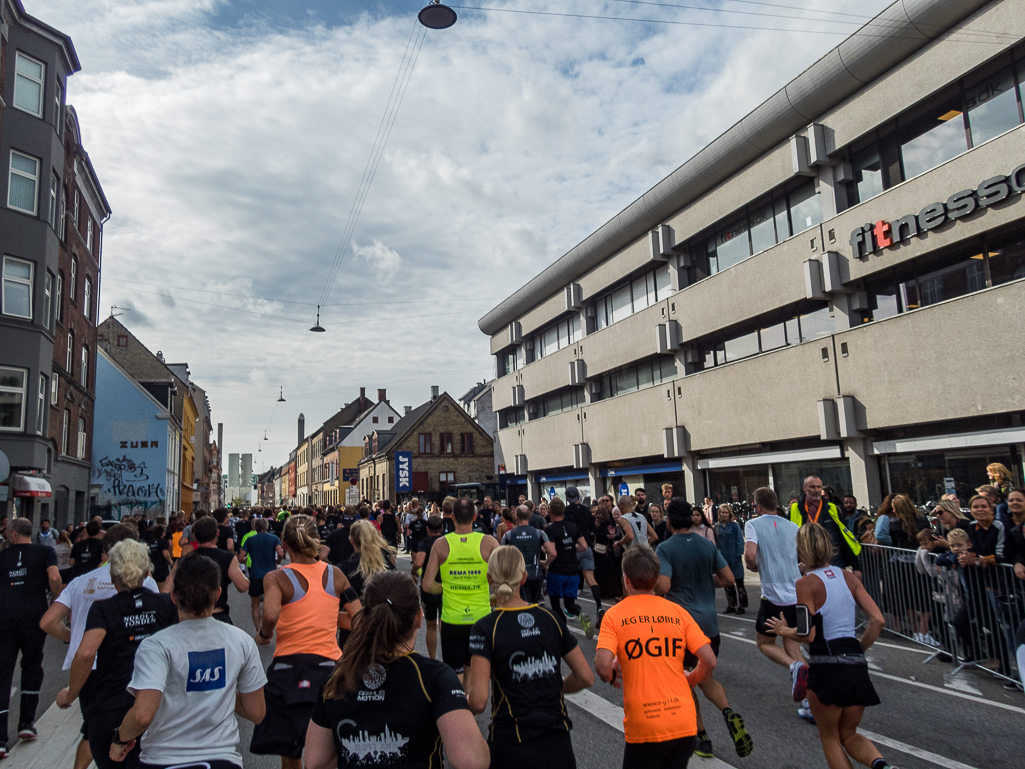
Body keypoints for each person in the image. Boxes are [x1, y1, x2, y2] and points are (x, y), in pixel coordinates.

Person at [303, 571, 489, 769]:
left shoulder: (338, 677)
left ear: (366, 618)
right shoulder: (435, 677)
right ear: (418, 617)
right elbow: (472, 761)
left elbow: (316, 762)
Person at [109, 551, 267, 769]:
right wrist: (220, 685)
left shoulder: (156, 646)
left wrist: (120, 738)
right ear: (218, 593)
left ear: (173, 596)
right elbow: (256, 712)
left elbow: (143, 715)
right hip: (222, 759)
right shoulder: (241, 641)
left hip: (163, 759)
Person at [766, 524, 896, 769]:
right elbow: (877, 619)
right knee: (849, 733)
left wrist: (785, 631)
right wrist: (859, 648)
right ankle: (880, 765)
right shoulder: (848, 577)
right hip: (855, 663)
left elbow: (808, 633)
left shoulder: (806, 584)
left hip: (826, 664)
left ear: (801, 550)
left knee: (830, 738)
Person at [41, 523, 159, 769]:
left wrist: (72, 637)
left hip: (90, 673)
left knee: (95, 727)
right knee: (135, 731)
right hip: (135, 668)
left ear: (106, 551)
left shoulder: (81, 582)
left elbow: (48, 622)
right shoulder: (146, 584)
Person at [466, 546, 593, 768]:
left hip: (511, 739)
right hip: (557, 737)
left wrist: (457, 706)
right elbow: (585, 677)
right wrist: (552, 686)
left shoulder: (486, 627)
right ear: (524, 578)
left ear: (489, 579)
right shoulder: (551, 619)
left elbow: (478, 701)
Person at [250, 515, 361, 768]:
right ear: (316, 541)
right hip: (330, 667)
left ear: (285, 544)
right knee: (331, 747)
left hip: (288, 668)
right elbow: (360, 619)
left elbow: (270, 614)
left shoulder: (276, 578)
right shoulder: (336, 574)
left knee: (290, 752)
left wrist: (264, 634)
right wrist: (329, 616)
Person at [596, 545, 717, 769]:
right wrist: (691, 679)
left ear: (626, 579)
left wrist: (612, 675)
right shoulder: (678, 612)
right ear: (656, 579)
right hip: (683, 721)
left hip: (645, 724)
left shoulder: (615, 615)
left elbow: (602, 665)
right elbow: (709, 660)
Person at [656, 498, 752, 760]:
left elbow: (663, 587)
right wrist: (707, 581)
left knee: (684, 681)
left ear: (670, 521)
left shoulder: (665, 548)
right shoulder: (706, 544)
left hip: (682, 625)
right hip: (709, 625)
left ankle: (702, 737)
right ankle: (728, 713)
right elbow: (729, 578)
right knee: (705, 677)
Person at [743, 487, 810, 721]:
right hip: (797, 594)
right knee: (793, 646)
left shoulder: (753, 524)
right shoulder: (793, 526)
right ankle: (810, 700)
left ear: (757, 506)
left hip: (774, 595)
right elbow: (804, 556)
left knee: (764, 643)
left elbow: (750, 556)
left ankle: (794, 667)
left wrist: (754, 566)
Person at [0, 518, 61, 755]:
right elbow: (54, 578)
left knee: (3, 673)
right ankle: (26, 723)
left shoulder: (2, 556)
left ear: (14, 534)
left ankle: (0, 738)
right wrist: (56, 599)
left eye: (7, 532)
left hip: (4, 618)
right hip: (34, 617)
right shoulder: (45, 552)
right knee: (32, 665)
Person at [423, 497, 500, 678]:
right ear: (475, 517)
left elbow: (426, 585)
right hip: (481, 618)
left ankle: (460, 703)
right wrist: (492, 597)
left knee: (455, 675)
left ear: (452, 517)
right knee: (475, 673)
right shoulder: (489, 542)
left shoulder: (441, 544)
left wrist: (448, 588)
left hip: (452, 620)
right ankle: (471, 705)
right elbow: (504, 580)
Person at [790, 476, 861, 577]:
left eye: (819, 487)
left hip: (833, 560)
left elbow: (844, 536)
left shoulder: (832, 508)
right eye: (812, 487)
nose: (816, 490)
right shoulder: (795, 509)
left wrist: (856, 566)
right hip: (806, 562)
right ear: (805, 488)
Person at [543, 498, 591, 636]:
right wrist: (570, 549)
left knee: (556, 604)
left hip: (557, 571)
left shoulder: (550, 529)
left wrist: (545, 564)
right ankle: (581, 614)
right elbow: (584, 546)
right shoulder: (572, 527)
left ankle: (563, 631)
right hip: (572, 571)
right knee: (570, 604)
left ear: (550, 511)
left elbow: (552, 552)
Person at [192, 516, 249, 624]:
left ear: (194, 536)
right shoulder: (227, 558)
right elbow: (243, 586)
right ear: (217, 533)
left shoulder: (185, 560)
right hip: (217, 615)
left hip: (190, 617)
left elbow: (167, 590)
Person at [564, 486, 604, 628]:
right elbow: (594, 529)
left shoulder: (567, 511)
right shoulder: (587, 509)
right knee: (591, 579)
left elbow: (569, 529)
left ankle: (570, 607)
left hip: (574, 546)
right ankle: (599, 607)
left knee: (572, 577)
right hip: (586, 546)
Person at [502, 505, 556, 603]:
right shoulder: (539, 533)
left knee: (522, 605)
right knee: (534, 605)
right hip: (536, 575)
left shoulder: (509, 535)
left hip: (517, 575)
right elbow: (552, 553)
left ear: (516, 517)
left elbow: (501, 556)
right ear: (530, 516)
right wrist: (545, 563)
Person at [239, 517, 283, 633]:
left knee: (255, 605)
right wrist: (278, 561)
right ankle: (268, 629)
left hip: (255, 574)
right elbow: (280, 552)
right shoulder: (274, 538)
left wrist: (244, 560)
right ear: (267, 527)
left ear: (255, 527)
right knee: (270, 604)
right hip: (271, 575)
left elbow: (240, 557)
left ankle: (258, 629)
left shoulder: (250, 540)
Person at [414, 515, 446, 659]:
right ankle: (448, 656)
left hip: (429, 587)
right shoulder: (446, 542)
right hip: (445, 585)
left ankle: (433, 658)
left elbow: (419, 562)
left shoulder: (425, 542)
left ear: (427, 529)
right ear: (442, 528)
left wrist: (415, 572)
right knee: (444, 624)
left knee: (431, 625)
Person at [345, 519, 397, 597]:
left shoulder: (345, 568)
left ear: (352, 541)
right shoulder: (384, 563)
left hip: (357, 607)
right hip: (383, 607)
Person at [715, 505, 747, 615]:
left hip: (734, 557)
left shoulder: (735, 526)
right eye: (722, 512)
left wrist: (739, 553)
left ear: (729, 514)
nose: (723, 515)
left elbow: (740, 540)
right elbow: (716, 542)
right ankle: (731, 604)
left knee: (739, 582)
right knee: (727, 583)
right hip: (723, 557)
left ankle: (742, 605)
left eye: (725, 512)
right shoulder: (717, 526)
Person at [145, 525, 173, 592]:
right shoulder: (164, 542)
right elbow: (165, 553)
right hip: (161, 567)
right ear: (163, 533)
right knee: (162, 586)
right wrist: (170, 561)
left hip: (152, 566)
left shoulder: (150, 542)